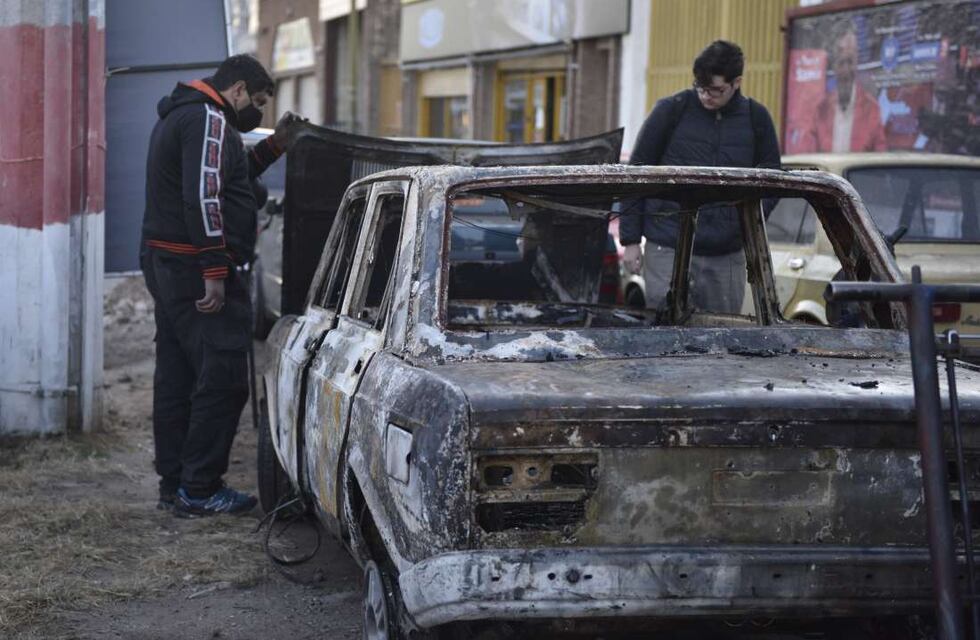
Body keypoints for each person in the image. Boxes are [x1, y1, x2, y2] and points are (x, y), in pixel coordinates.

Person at [140, 54, 302, 517]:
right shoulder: (210, 119)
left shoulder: (186, 114)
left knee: (178, 375)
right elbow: (205, 195)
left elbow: (227, 175)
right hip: (194, 269)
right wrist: (214, 269)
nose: (260, 114)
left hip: (169, 262)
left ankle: (176, 484)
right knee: (226, 376)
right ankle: (200, 488)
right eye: (258, 102)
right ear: (236, 91)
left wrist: (276, 147)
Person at [620, 40, 781, 313]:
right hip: (666, 246)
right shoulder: (671, 110)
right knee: (664, 329)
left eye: (715, 90)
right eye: (700, 87)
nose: (706, 95)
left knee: (721, 335)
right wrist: (631, 241)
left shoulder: (756, 118)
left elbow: (774, 182)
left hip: (725, 254)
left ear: (737, 82)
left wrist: (746, 223)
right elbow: (636, 173)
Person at [803, 23, 887, 153]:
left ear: (857, 63)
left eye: (850, 61)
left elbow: (880, 162)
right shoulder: (820, 110)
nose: (846, 70)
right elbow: (808, 157)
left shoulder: (872, 109)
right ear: (834, 66)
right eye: (841, 62)